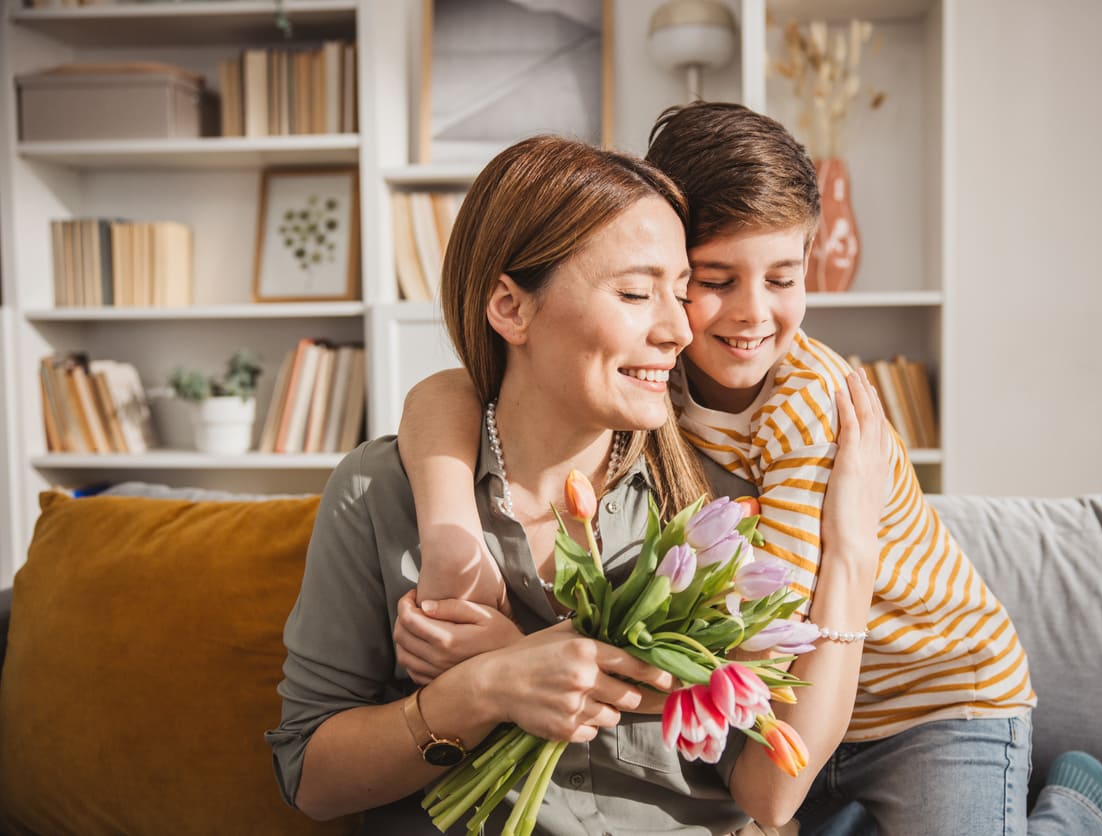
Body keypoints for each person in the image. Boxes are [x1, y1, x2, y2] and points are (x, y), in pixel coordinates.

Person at [392, 104, 1102, 835]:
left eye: (782, 278)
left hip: (933, 700)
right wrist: (449, 524)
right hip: (805, 718)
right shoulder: (645, 373)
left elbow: (762, 639)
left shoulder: (808, 410)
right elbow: (455, 391)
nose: (751, 314)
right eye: (714, 279)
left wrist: (519, 657)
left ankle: (1079, 809)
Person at [267, 133, 895, 835]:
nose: (677, 331)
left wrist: (851, 548)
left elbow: (770, 781)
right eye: (634, 293)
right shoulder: (379, 495)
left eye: (682, 294)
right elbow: (311, 780)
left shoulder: (715, 502)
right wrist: (477, 693)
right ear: (510, 308)